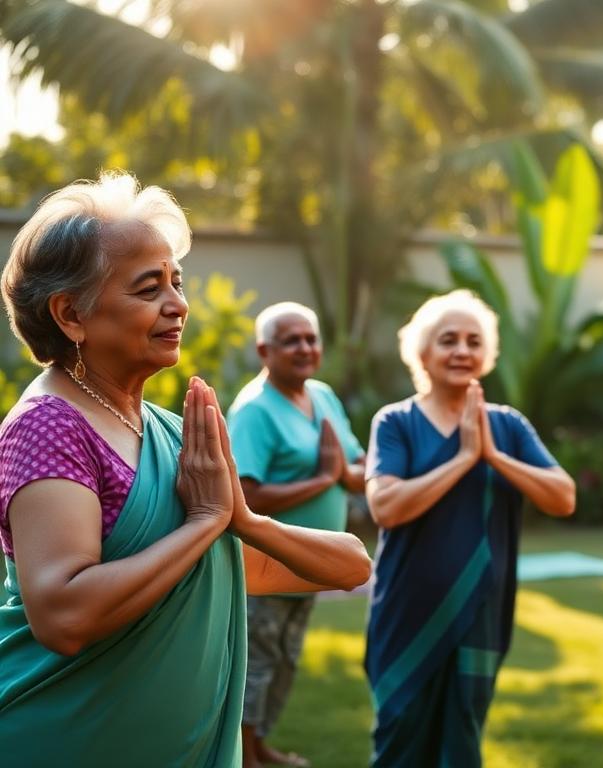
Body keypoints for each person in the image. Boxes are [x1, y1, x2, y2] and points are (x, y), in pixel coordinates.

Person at [0, 173, 371, 768]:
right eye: (149, 289)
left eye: (177, 282)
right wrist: (203, 523)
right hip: (67, 740)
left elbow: (351, 565)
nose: (178, 305)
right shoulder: (50, 425)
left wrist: (243, 520)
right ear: (71, 314)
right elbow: (64, 615)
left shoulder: (173, 432)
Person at [364, 289, 576, 767]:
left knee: (462, 737)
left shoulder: (507, 426)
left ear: (487, 354)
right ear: (422, 353)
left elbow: (563, 497)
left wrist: (494, 457)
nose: (462, 350)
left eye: (473, 341)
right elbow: (386, 506)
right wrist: (462, 459)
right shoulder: (396, 421)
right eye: (448, 340)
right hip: (407, 608)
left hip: (480, 607)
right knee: (399, 736)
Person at [228, 301, 366, 768]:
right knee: (256, 665)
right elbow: (242, 497)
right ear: (264, 350)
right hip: (266, 566)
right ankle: (243, 758)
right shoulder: (254, 410)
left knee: (285, 662)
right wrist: (325, 479)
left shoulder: (322, 395)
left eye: (311, 338)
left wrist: (346, 473)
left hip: (312, 565)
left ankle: (260, 747)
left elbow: (356, 465)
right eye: (292, 340)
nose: (305, 348)